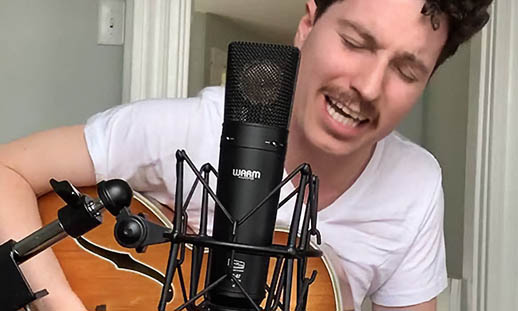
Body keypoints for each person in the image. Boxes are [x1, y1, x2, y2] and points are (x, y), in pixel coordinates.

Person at [0, 0, 492, 310]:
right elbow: (7, 171)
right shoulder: (186, 128)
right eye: (355, 42)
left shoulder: (415, 186)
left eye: (406, 71)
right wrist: (57, 301)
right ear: (308, 24)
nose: (367, 87)